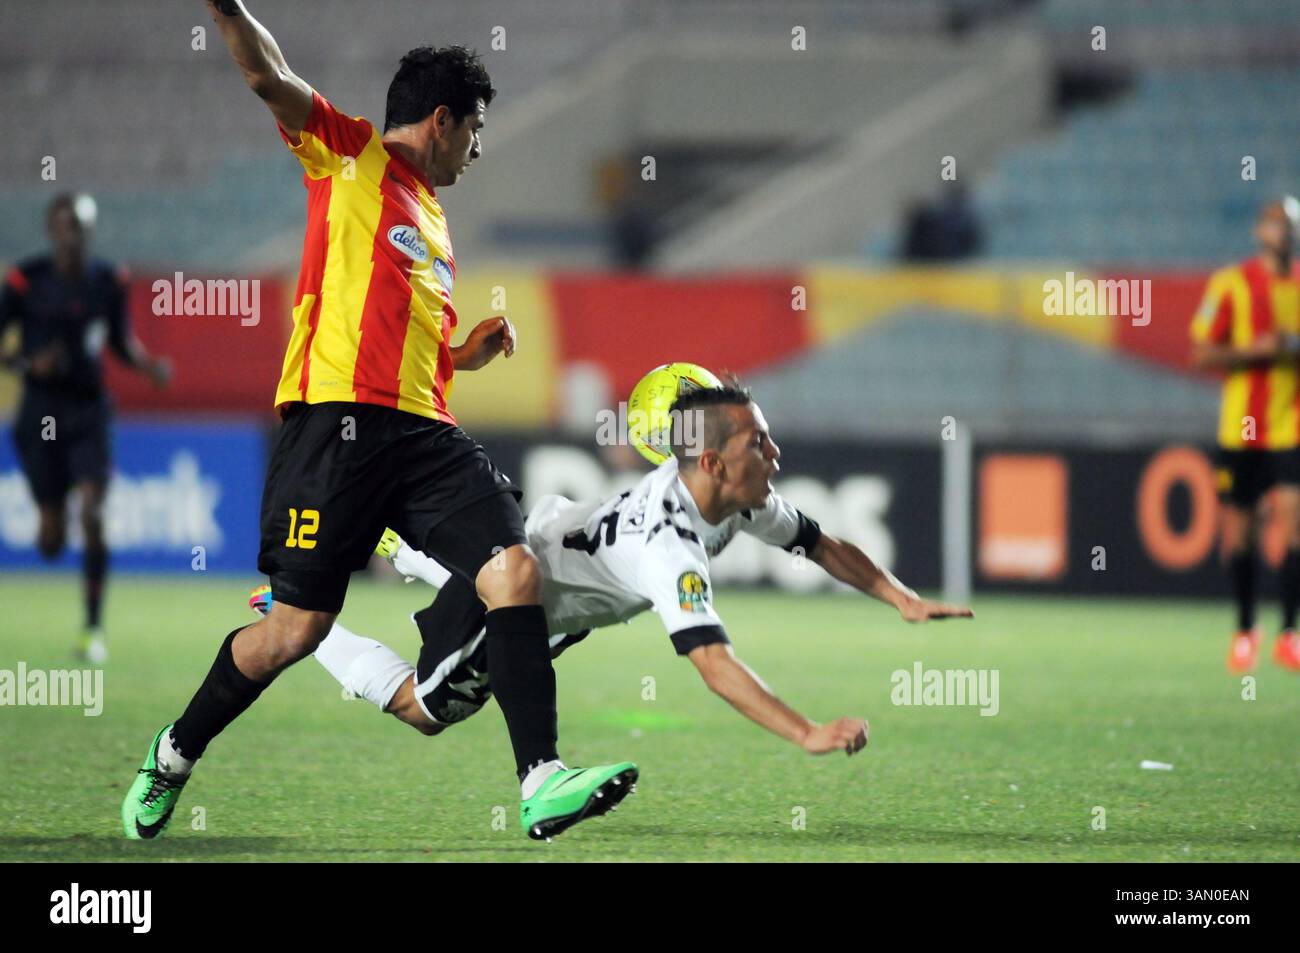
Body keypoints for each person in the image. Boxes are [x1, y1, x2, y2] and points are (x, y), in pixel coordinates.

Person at [121, 0, 635, 843]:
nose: (479, 148)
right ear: (441, 120)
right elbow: (267, 75)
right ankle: (174, 753)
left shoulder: (432, 218)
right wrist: (226, 8)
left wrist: (464, 352)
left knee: (514, 569)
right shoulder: (347, 153)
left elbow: (412, 348)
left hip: (424, 432)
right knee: (294, 630)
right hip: (333, 426)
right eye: (475, 130)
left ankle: (540, 781)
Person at [268, 385, 973, 801]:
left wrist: (899, 595)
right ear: (712, 460)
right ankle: (304, 623)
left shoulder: (738, 496)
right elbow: (712, 664)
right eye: (761, 442)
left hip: (554, 568)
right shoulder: (668, 545)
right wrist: (807, 731)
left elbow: (820, 542)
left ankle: (412, 554)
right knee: (422, 711)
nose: (775, 454)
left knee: (504, 594)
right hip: (515, 600)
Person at [0, 192, 171, 664]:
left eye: (80, 225)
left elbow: (120, 341)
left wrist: (147, 365)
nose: (72, 233)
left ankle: (93, 627)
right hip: (40, 413)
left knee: (94, 513)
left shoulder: (107, 280)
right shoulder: (24, 281)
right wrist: (30, 363)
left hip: (89, 411)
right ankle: (49, 517)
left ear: (89, 231)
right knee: (52, 540)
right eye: (64, 225)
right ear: (52, 230)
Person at [1191, 198, 1300, 673]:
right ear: (1260, 231)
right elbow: (1201, 354)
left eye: (1285, 222)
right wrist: (1257, 350)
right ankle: (1244, 629)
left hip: (1291, 423)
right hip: (1241, 426)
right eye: (1270, 221)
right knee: (1240, 533)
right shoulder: (1231, 284)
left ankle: (1290, 633)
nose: (1277, 229)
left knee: (1294, 521)